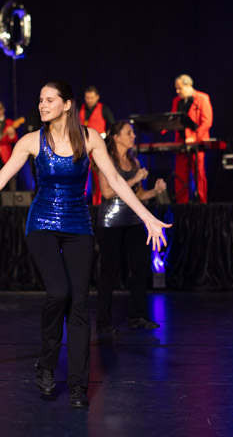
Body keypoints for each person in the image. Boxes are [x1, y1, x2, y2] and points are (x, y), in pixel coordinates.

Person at [0, 81, 170, 408]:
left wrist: (146, 217)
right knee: (58, 293)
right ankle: (46, 364)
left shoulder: (89, 138)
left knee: (78, 304)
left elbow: (115, 181)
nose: (42, 105)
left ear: (67, 104)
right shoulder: (32, 141)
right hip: (42, 222)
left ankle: (78, 385)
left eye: (49, 100)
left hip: (78, 224)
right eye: (40, 100)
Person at [95, 121, 167, 334]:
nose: (133, 136)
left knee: (141, 266)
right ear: (116, 137)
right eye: (129, 133)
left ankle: (137, 316)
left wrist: (155, 192)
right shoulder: (106, 159)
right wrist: (135, 178)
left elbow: (138, 195)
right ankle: (103, 321)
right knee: (110, 270)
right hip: (110, 222)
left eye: (133, 133)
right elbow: (107, 192)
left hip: (133, 220)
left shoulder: (134, 161)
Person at [172, 74, 213, 203]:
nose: (177, 91)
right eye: (176, 88)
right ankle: (181, 204)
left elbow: (207, 122)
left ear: (188, 86)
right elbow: (173, 119)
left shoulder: (202, 98)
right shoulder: (176, 101)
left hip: (197, 143)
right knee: (180, 174)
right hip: (181, 142)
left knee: (198, 174)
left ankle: (202, 202)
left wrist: (194, 137)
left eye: (180, 88)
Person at [80, 86, 115, 205]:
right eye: (87, 97)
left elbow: (113, 125)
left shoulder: (103, 109)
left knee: (99, 177)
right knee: (81, 176)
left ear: (97, 97)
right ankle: (81, 203)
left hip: (97, 149)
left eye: (91, 97)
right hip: (84, 149)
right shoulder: (81, 109)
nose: (89, 100)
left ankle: (99, 203)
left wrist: (106, 138)